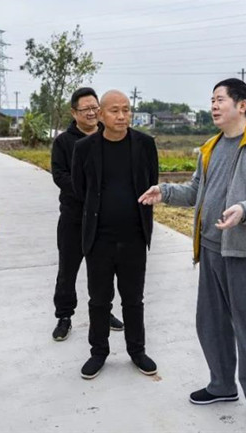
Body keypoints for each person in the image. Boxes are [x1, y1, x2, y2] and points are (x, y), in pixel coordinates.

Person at [139, 78, 246, 433]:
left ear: (242, 105)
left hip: (244, 253)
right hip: (209, 248)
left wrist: (244, 210)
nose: (213, 106)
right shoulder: (210, 146)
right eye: (212, 100)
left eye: (220, 99)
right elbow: (196, 191)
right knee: (211, 324)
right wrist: (165, 192)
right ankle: (222, 385)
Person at [71, 89, 159, 380]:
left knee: (133, 299)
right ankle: (98, 352)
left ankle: (137, 350)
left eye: (126, 110)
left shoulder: (145, 144)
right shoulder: (84, 148)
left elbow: (151, 182)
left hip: (134, 237)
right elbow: (80, 189)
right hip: (99, 239)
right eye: (114, 110)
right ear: (100, 114)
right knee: (99, 300)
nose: (122, 116)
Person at [50, 87, 124, 341]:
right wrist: (90, 192)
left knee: (104, 269)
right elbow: (60, 176)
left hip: (103, 219)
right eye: (86, 109)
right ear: (74, 113)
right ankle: (64, 316)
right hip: (73, 218)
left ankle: (105, 311)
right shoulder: (63, 142)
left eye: (95, 108)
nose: (92, 113)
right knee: (67, 270)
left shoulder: (110, 136)